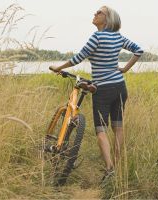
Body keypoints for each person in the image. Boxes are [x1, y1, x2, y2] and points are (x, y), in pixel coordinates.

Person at [49, 6, 143, 182]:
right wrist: (124, 69)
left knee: (101, 130)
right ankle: (115, 165)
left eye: (99, 13)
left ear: (107, 19)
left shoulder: (97, 37)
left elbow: (78, 58)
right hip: (120, 87)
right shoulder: (118, 37)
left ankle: (109, 170)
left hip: (104, 90)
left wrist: (58, 68)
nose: (95, 14)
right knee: (118, 127)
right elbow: (138, 50)